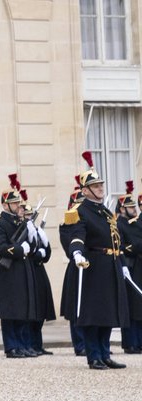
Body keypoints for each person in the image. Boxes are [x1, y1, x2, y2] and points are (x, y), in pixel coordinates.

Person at [65, 153, 129, 370]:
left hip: (110, 265)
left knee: (108, 312)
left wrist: (123, 265)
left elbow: (115, 240)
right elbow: (76, 235)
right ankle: (93, 356)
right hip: (93, 265)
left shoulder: (105, 211)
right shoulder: (79, 211)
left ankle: (104, 353)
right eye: (95, 185)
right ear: (85, 191)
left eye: (100, 184)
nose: (100, 187)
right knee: (94, 314)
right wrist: (76, 253)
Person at [0, 176, 41, 359]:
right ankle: (11, 346)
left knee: (24, 308)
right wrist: (20, 249)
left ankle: (23, 344)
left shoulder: (22, 222)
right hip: (9, 271)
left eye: (18, 203)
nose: (18, 206)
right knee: (10, 310)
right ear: (5, 205)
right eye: (14, 203)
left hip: (23, 269)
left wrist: (33, 239)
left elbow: (32, 248)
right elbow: (1, 247)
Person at [20, 189, 55, 355]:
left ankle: (38, 344)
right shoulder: (21, 230)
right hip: (29, 270)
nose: (29, 217)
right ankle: (29, 344)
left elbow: (47, 254)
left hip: (40, 271)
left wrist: (45, 247)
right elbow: (25, 251)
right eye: (26, 215)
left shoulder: (36, 229)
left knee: (41, 308)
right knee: (30, 311)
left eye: (30, 215)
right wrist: (36, 253)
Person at [58, 179, 87, 356]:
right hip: (76, 268)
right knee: (76, 307)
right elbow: (69, 246)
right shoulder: (66, 226)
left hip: (91, 267)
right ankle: (80, 344)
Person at [118, 182, 142, 354]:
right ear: (122, 209)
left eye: (134, 206)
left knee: (138, 307)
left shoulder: (133, 223)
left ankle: (137, 342)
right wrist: (135, 247)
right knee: (131, 307)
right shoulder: (119, 224)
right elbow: (123, 246)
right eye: (130, 207)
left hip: (137, 266)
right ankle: (130, 343)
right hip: (129, 266)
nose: (133, 209)